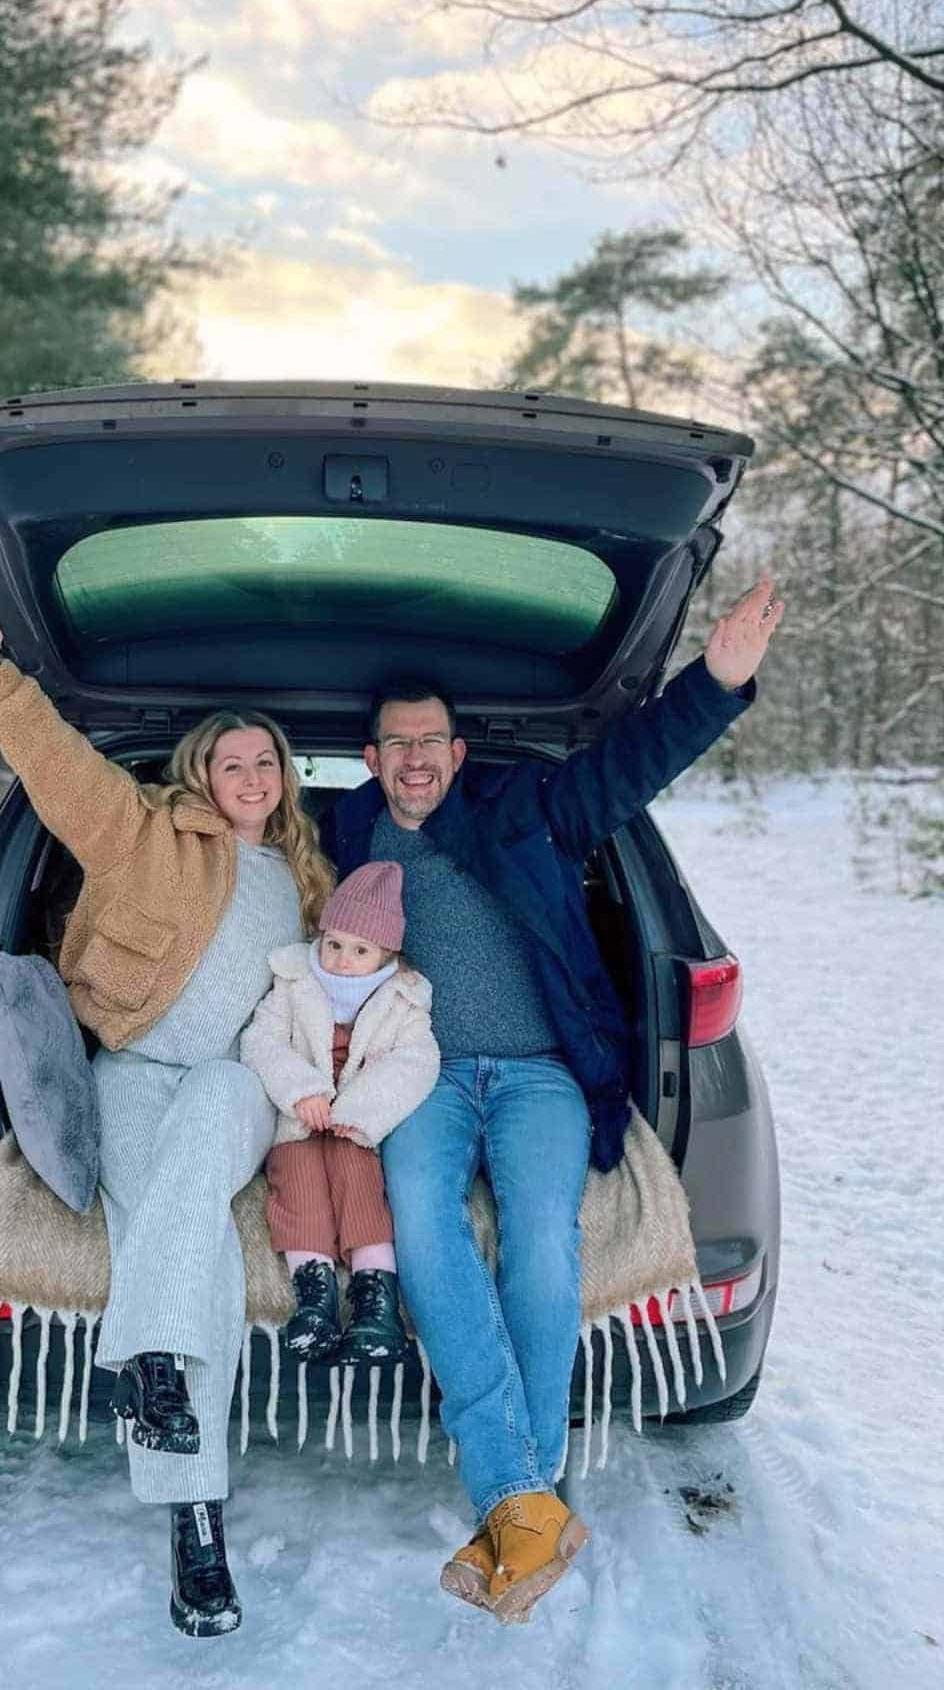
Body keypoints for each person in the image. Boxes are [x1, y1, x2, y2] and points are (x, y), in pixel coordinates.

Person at [318, 576, 785, 1625]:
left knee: (539, 1239)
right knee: (429, 1234)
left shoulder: (528, 813)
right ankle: (529, 1496)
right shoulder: (341, 837)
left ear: (458, 753)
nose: (416, 757)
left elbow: (630, 766)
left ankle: (514, 1498)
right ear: (373, 759)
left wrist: (715, 682)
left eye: (432, 740)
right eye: (396, 743)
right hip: (422, 1077)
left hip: (540, 1074)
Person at [0, 583, 334, 1640]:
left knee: (200, 1164)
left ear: (283, 778)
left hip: (241, 1080)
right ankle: (193, 1510)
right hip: (131, 1069)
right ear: (199, 775)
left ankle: (147, 1363)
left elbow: (354, 981)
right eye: (231, 761)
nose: (252, 775)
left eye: (266, 762)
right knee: (183, 1231)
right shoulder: (145, 835)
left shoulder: (306, 878)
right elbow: (59, 771)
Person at [240, 861, 439, 1364]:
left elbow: (415, 1063)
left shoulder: (404, 999)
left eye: (360, 951)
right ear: (321, 935)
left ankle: (376, 1299)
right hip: (300, 1119)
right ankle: (315, 1294)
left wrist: (361, 1110)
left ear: (386, 955)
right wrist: (301, 1089)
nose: (343, 960)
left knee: (361, 1182)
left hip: (356, 1124)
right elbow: (260, 1042)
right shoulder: (292, 980)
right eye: (334, 944)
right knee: (298, 1179)